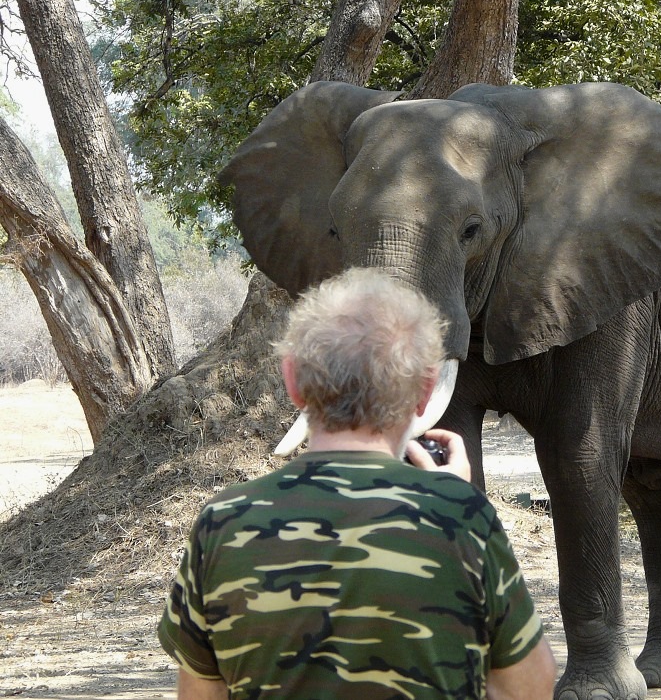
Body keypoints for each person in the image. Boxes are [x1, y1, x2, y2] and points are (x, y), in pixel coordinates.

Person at [157, 267, 556, 699]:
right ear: (425, 391)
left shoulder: (222, 522)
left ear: (292, 381)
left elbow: (199, 694)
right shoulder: (462, 516)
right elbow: (529, 688)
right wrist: (450, 502)